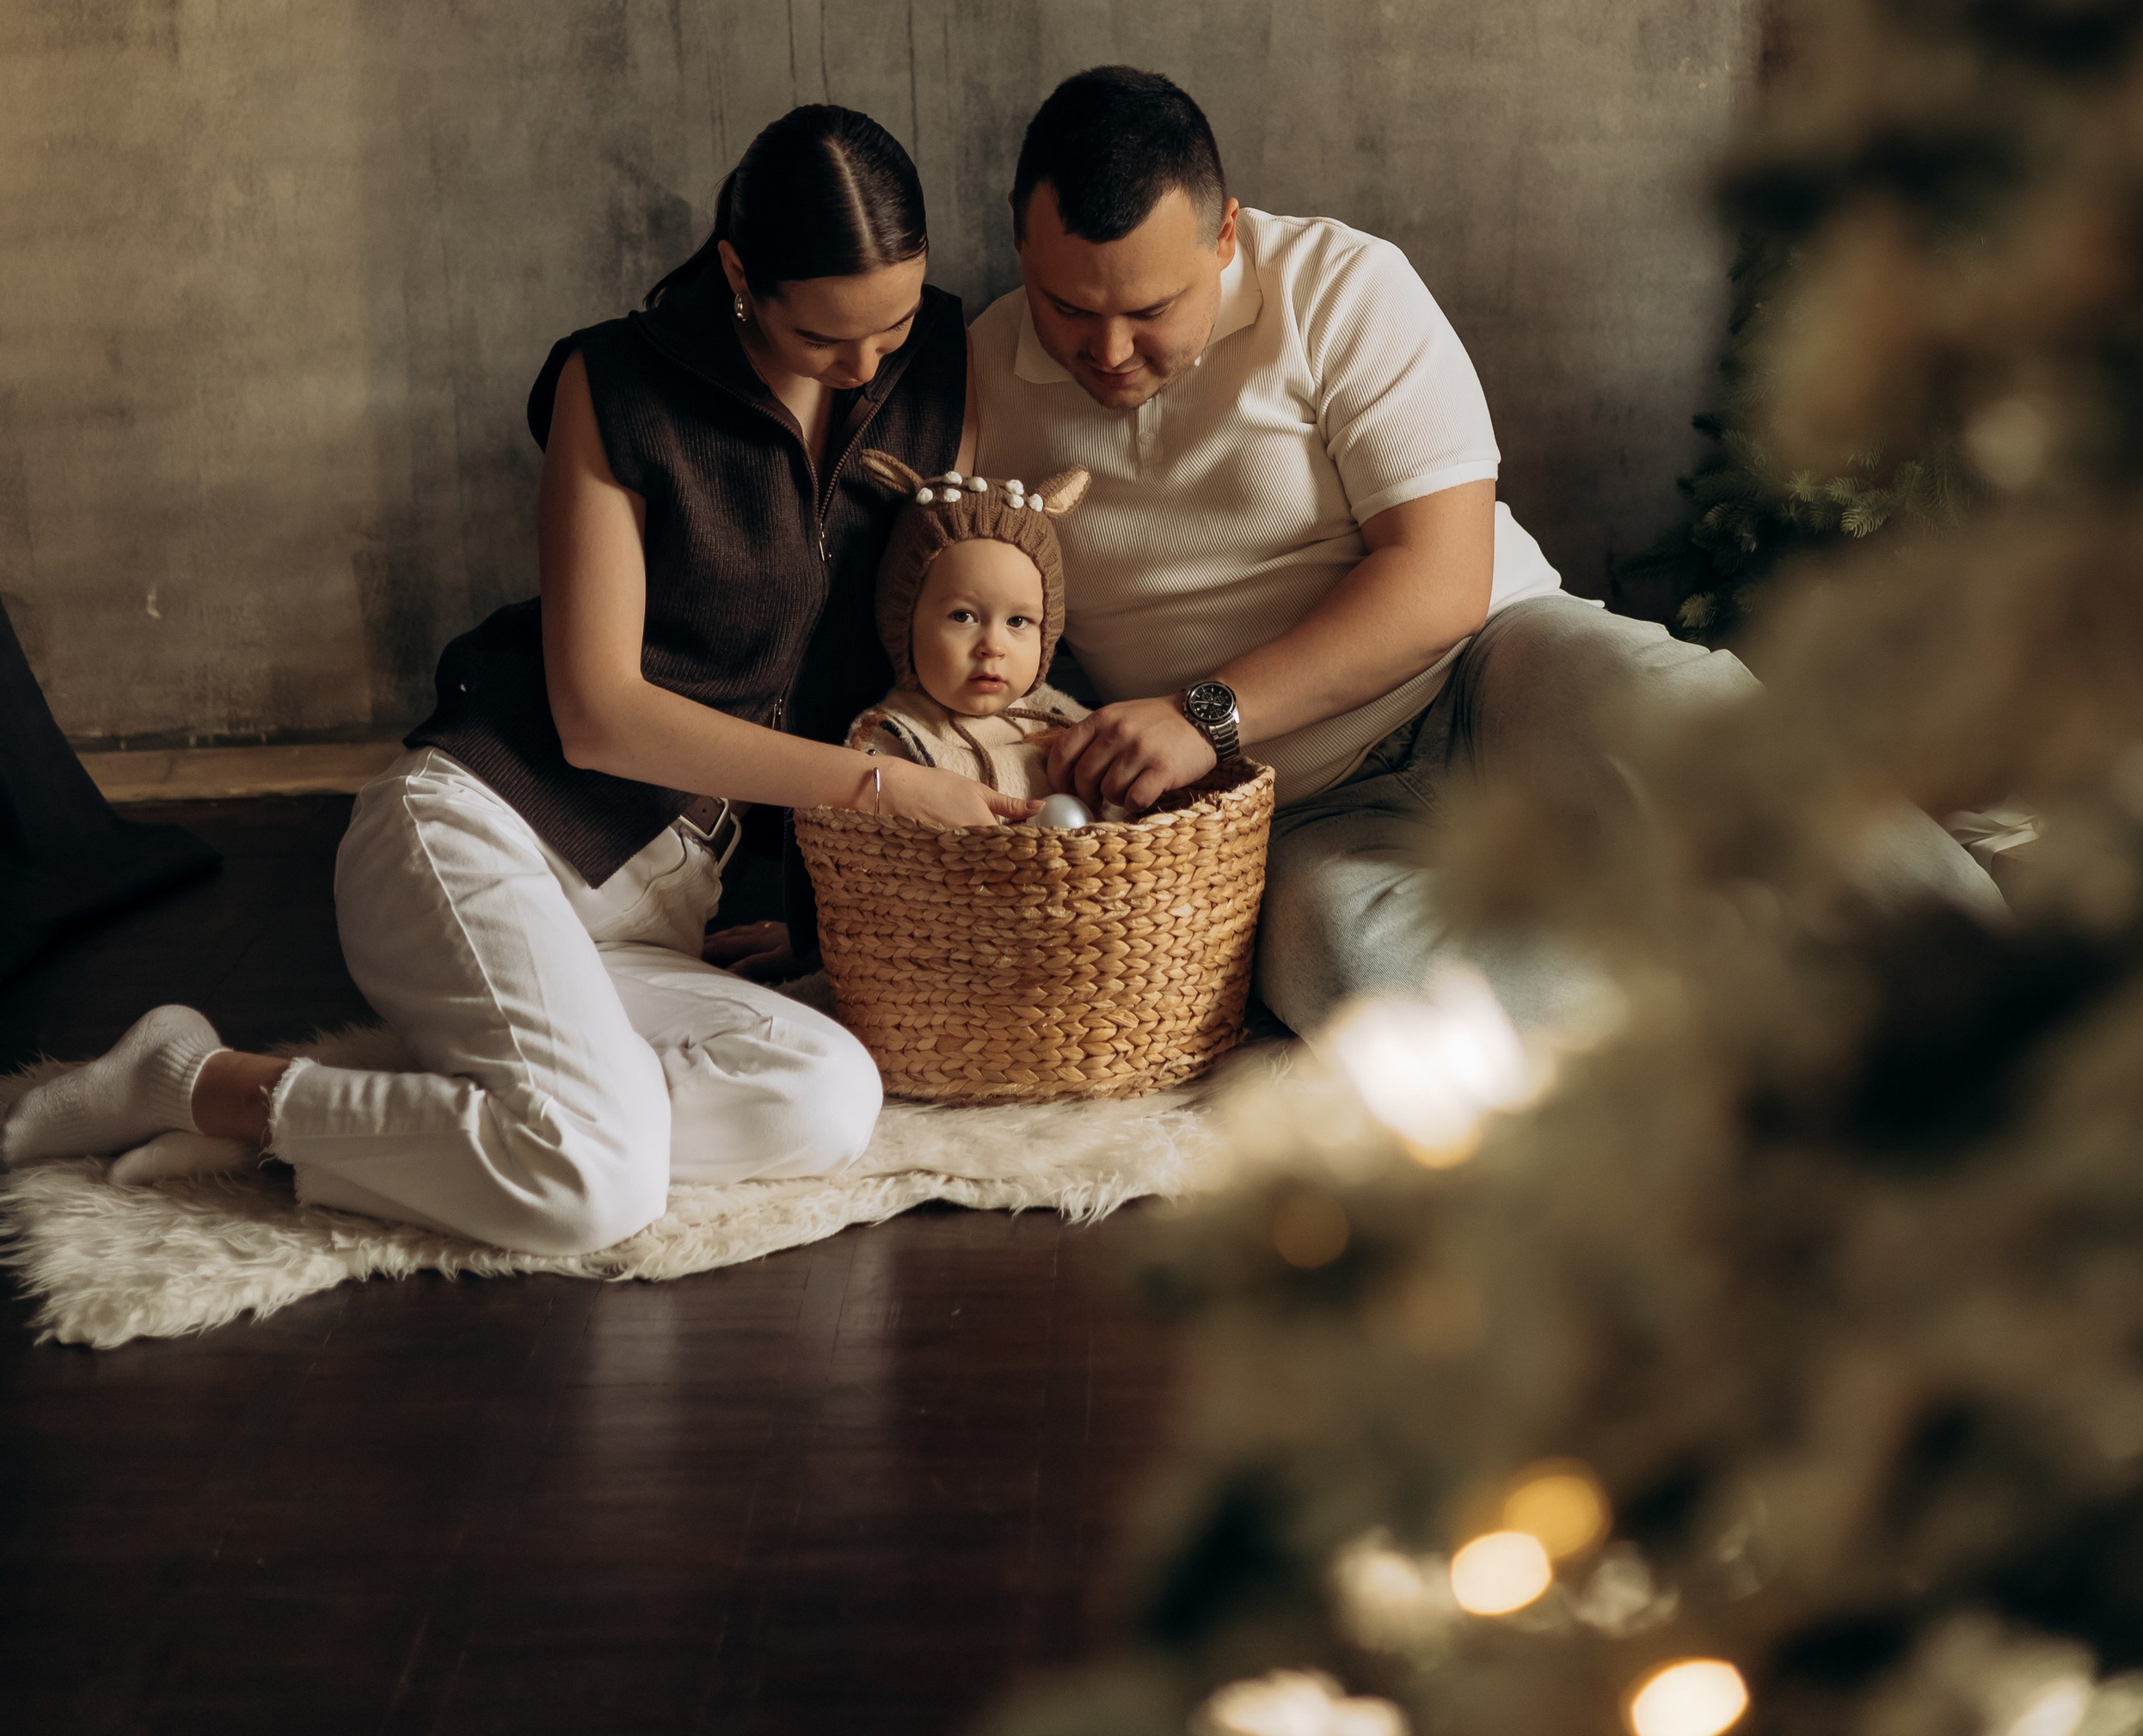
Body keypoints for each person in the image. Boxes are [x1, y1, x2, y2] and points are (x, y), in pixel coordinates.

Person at [3, 108, 1031, 1245]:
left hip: (666, 907)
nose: (870, 362)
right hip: (482, 832)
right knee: (598, 1187)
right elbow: (598, 716)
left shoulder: (937, 357)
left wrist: (819, 902)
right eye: (827, 338)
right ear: (741, 274)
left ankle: (388, 1128)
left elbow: (913, 625)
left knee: (828, 1100)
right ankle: (199, 1081)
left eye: (893, 323)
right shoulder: (618, 385)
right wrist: (873, 792)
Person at [967, 66, 2001, 1039]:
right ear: (1022, 249)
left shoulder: (1341, 286)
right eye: (1070, 309)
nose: (1107, 352)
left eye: (1150, 311)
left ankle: (2005, 974)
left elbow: (1441, 578)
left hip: (1493, 670)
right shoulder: (972, 382)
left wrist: (1208, 713)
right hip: (1300, 803)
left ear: (1227, 235)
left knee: (1695, 724)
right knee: (1342, 962)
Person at [844, 456, 1102, 799]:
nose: (993, 647)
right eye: (962, 616)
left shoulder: (1056, 717)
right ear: (903, 626)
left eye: (1017, 621)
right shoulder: (894, 735)